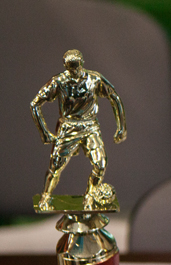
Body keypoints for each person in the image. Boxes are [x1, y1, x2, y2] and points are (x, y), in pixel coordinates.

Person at [31, 49, 125, 211]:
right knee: (56, 166)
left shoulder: (94, 79)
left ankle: (90, 196)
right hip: (69, 127)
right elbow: (35, 104)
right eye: (70, 67)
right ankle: (46, 196)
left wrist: (121, 127)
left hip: (90, 126)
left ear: (82, 63)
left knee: (101, 164)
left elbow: (114, 98)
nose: (74, 71)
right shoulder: (59, 82)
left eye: (76, 67)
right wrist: (44, 132)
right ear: (65, 66)